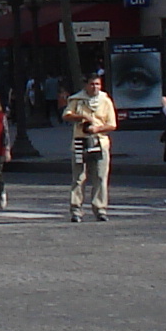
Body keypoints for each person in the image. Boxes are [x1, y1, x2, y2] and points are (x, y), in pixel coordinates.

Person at [61, 71, 117, 222]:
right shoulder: (77, 99)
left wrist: (97, 129)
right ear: (86, 85)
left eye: (98, 84)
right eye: (92, 84)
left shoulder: (105, 101)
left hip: (100, 142)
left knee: (100, 176)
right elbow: (66, 115)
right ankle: (76, 209)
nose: (95, 87)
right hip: (80, 142)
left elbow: (112, 124)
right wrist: (82, 117)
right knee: (79, 177)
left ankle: (100, 208)